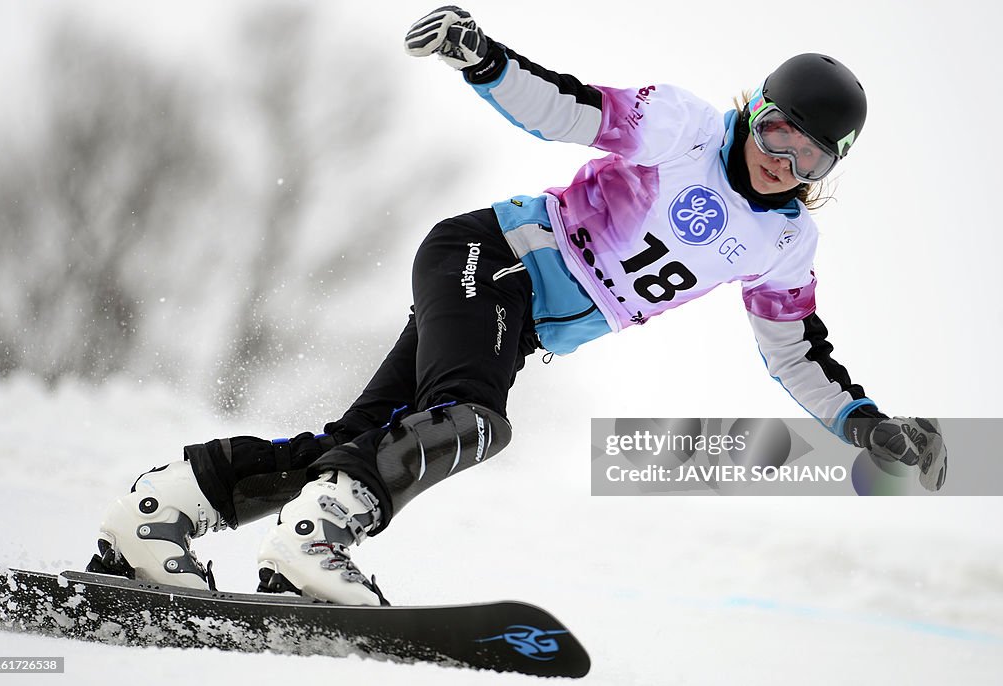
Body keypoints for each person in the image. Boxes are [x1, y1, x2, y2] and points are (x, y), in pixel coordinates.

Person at [87, 6, 948, 606]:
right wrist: (482, 57)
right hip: (489, 256)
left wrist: (867, 428)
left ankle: (158, 515)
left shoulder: (785, 243)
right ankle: (313, 544)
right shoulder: (684, 129)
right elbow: (575, 112)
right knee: (470, 420)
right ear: (753, 113)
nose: (782, 166)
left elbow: (795, 352)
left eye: (810, 162)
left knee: (354, 445)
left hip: (515, 314)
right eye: (775, 136)